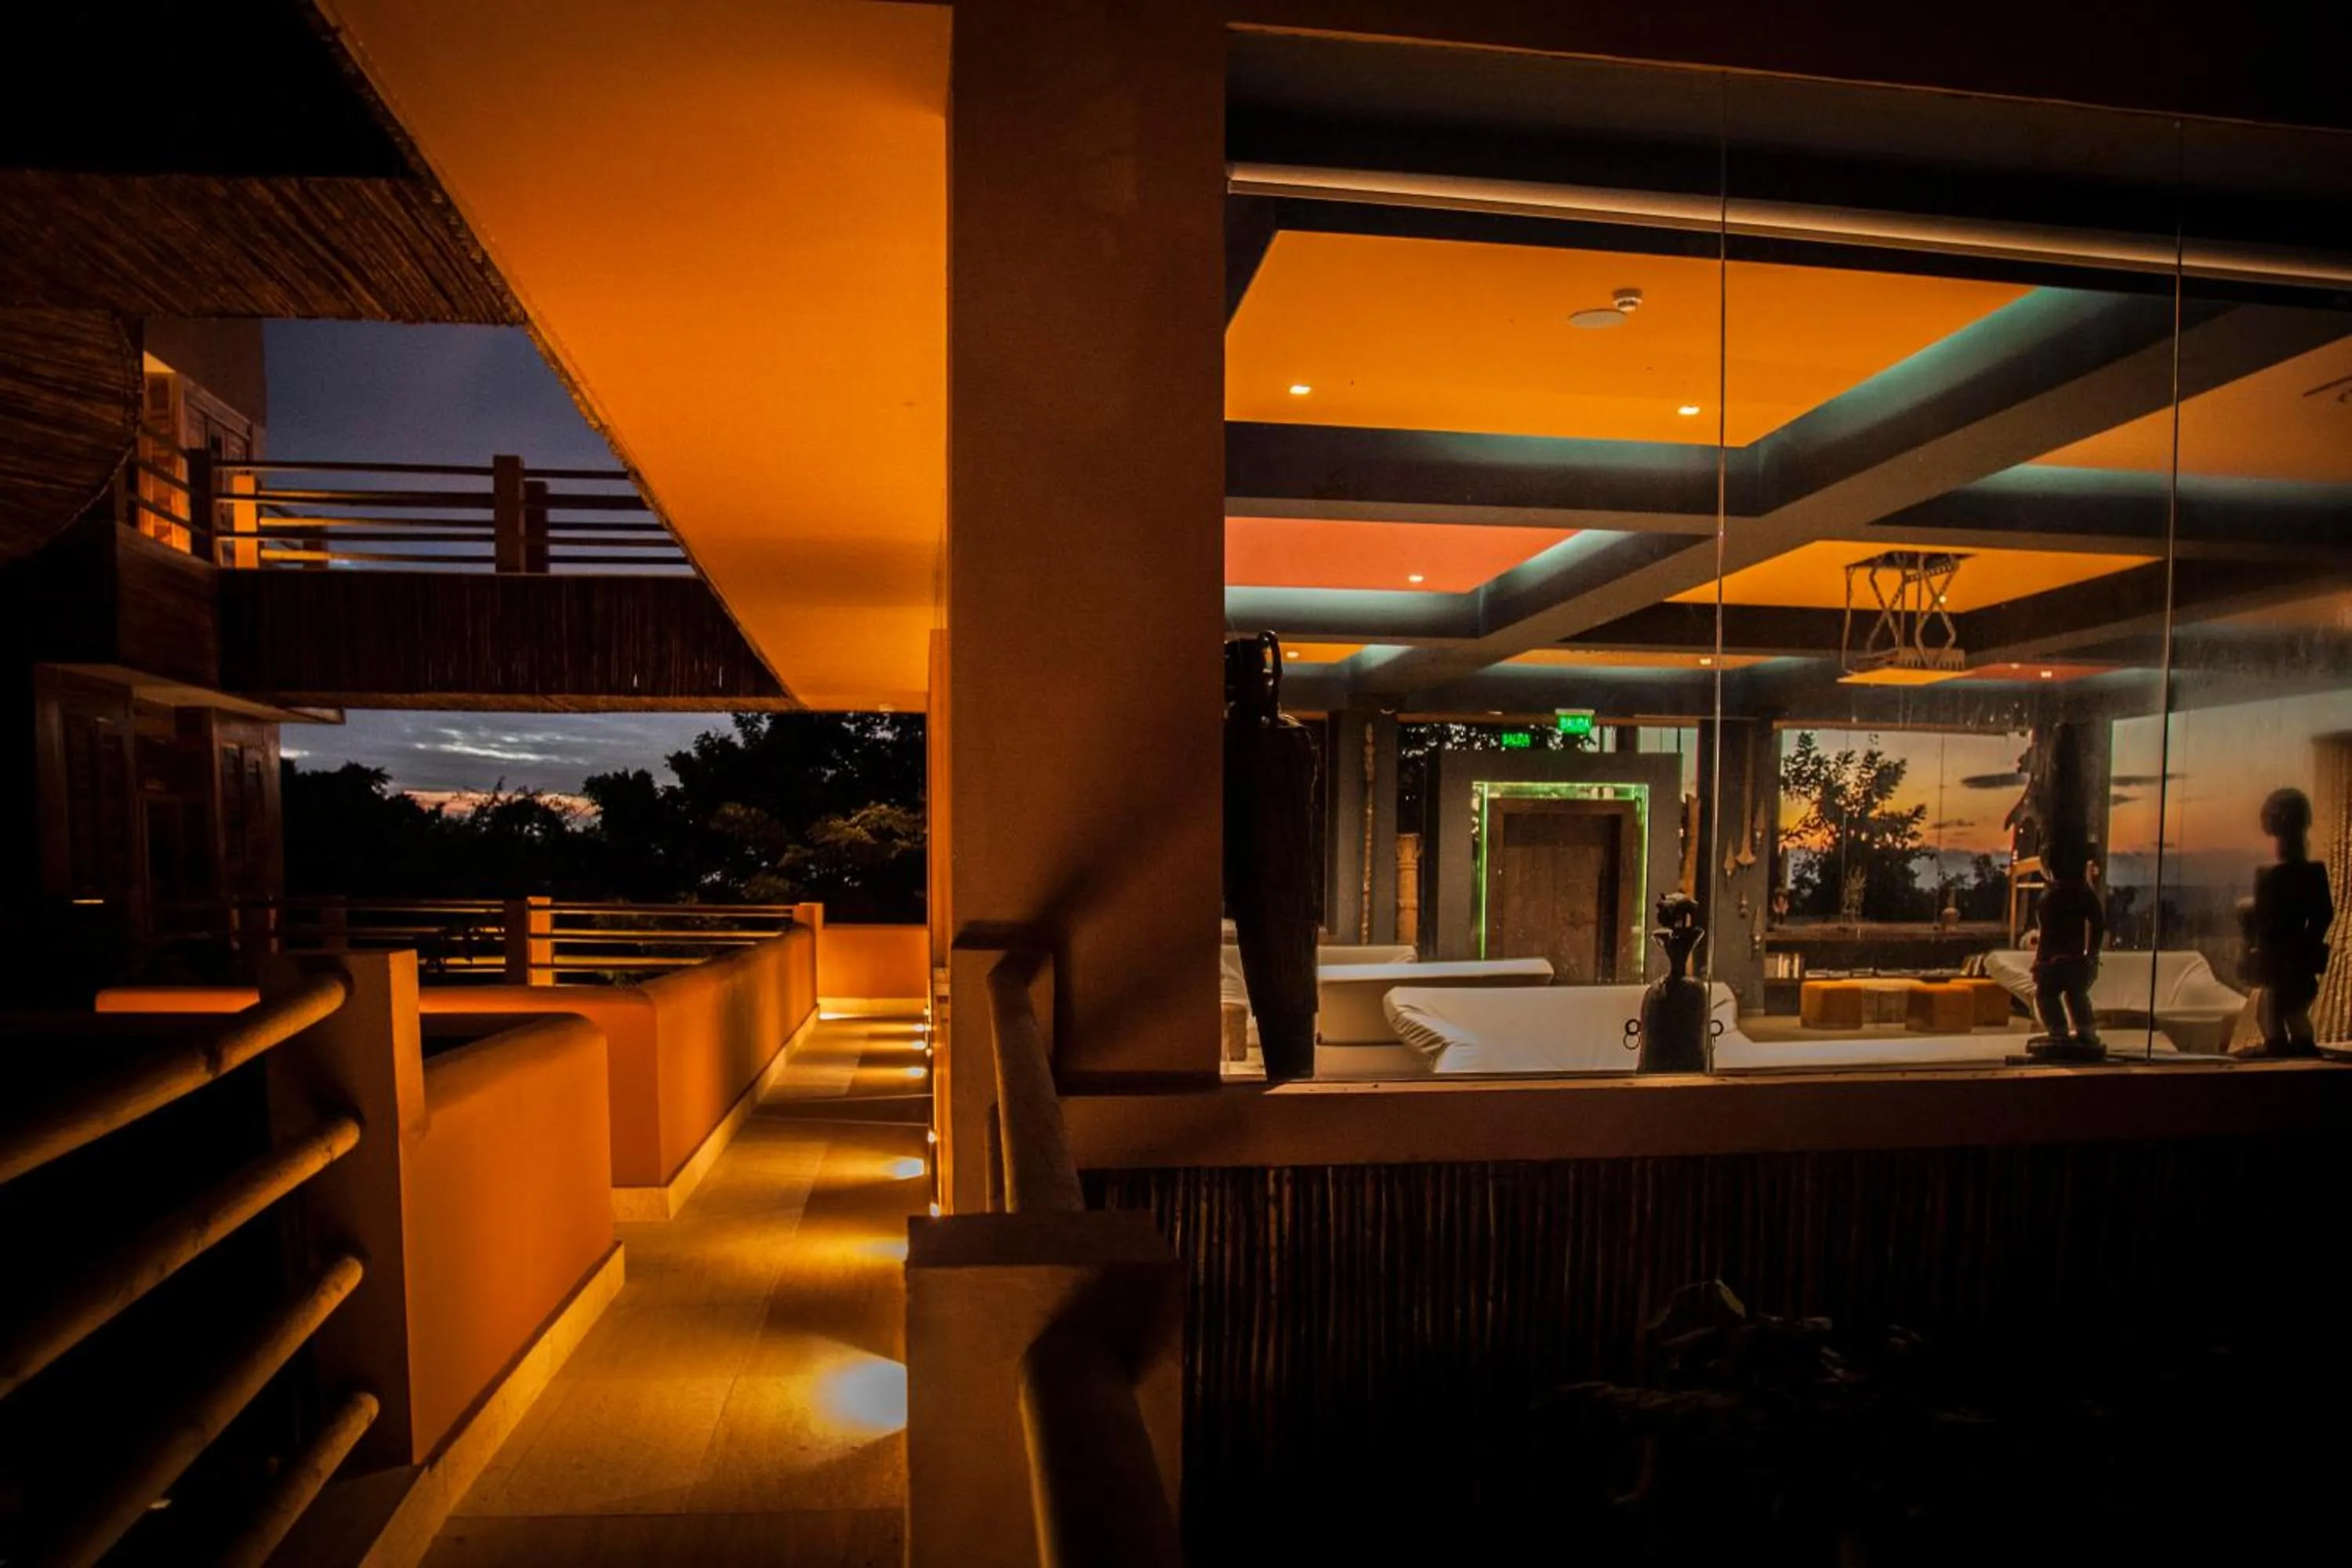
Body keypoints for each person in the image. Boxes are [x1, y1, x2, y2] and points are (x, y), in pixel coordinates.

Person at [2241, 787, 2333, 1056]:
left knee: (2282, 1010)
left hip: (2285, 959)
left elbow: (2320, 915)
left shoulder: (2277, 876)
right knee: (2278, 1010)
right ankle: (2287, 1046)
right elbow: (2321, 914)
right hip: (2286, 958)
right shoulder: (2301, 874)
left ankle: (2285, 1047)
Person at [2031, 838, 2104, 1058]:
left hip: (2056, 960)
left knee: (2047, 995)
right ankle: (2084, 1032)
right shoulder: (2083, 892)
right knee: (2076, 996)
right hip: (2075, 959)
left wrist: (2041, 960)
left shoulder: (2051, 895)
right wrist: (2091, 955)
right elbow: (2098, 925)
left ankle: (2060, 1032)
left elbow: (2047, 932)